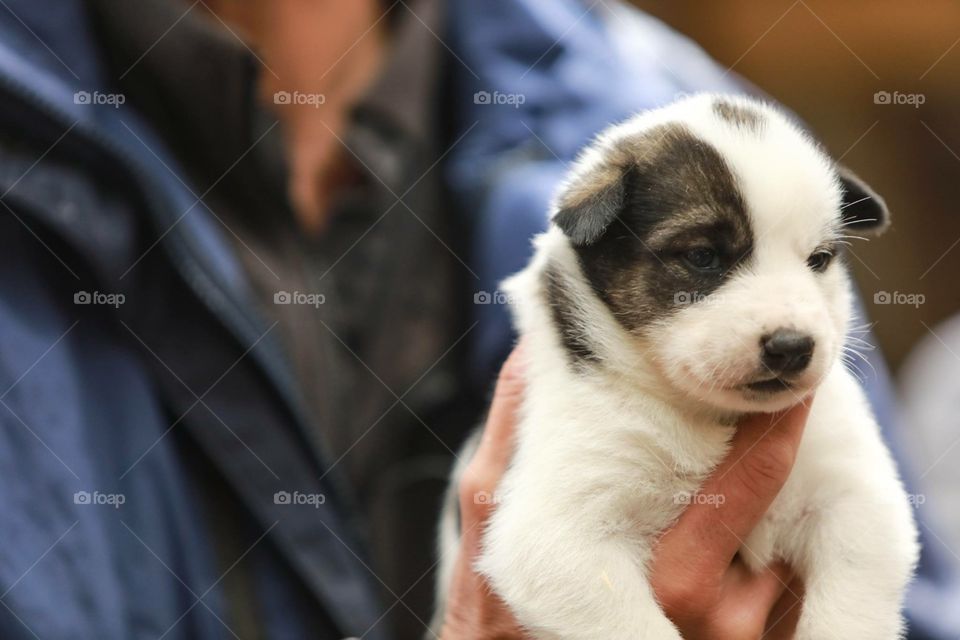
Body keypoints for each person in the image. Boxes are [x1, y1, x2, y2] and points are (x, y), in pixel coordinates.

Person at [0, 0, 951, 638]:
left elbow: (900, 578)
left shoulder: (698, 125)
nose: (790, 315)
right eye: (702, 258)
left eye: (819, 259)